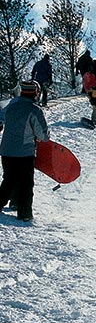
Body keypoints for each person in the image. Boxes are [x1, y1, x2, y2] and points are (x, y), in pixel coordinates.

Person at [0, 81, 49, 222]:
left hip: (7, 150)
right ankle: (24, 213)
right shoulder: (34, 110)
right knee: (26, 183)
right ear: (36, 93)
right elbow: (43, 135)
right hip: (24, 153)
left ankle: (11, 202)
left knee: (9, 179)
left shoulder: (11, 106)